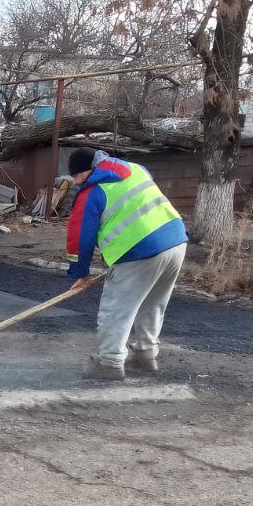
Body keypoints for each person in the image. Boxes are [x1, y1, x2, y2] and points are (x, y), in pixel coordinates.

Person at [64, 147, 188, 380]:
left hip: (139, 251)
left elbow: (80, 237)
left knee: (117, 309)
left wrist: (80, 273)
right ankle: (145, 354)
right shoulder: (135, 169)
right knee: (152, 303)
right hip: (175, 240)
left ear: (86, 172)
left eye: (76, 177)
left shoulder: (93, 192)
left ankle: (109, 362)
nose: (75, 183)